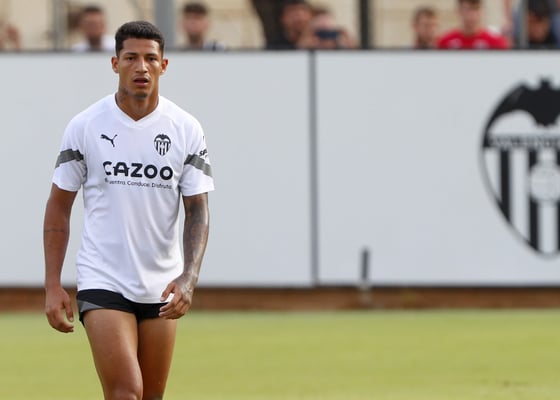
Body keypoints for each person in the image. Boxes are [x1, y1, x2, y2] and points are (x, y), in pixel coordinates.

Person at [44, 20, 214, 400]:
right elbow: (58, 208)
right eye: (131, 58)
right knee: (126, 392)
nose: (141, 67)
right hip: (103, 278)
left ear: (164, 65)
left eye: (150, 58)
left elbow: (198, 211)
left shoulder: (186, 128)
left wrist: (189, 277)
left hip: (161, 285)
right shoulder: (86, 126)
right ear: (115, 63)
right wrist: (52, 284)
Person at [438, 0, 509, 49]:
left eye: (476, 9)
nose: (473, 14)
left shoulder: (496, 42)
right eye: (468, 9)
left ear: (482, 11)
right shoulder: (445, 42)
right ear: (459, 11)